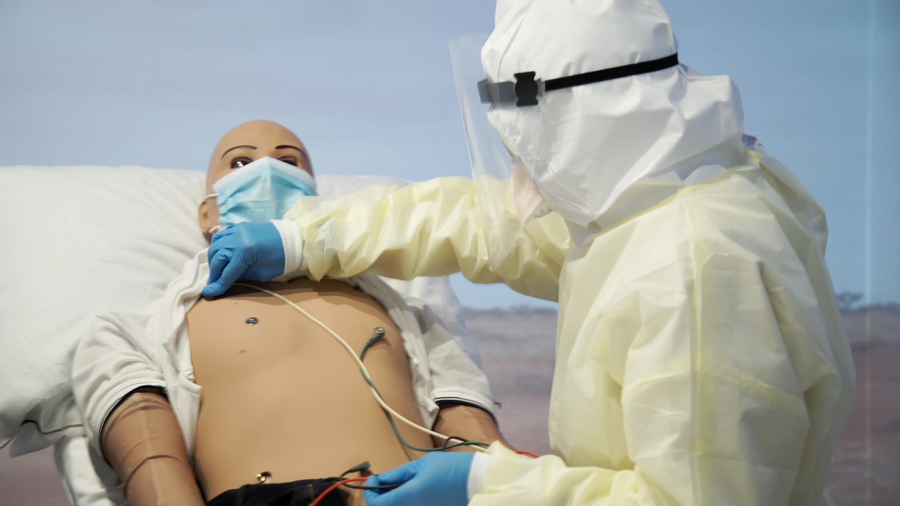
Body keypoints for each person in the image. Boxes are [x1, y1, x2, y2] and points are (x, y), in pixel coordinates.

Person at [201, 1, 857, 505]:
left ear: (580, 110)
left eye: (526, 129)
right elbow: (479, 222)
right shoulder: (648, 194)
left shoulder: (698, 267)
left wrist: (488, 482)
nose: (522, 161)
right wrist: (304, 235)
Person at [72, 120, 514, 506]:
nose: (269, 171)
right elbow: (153, 465)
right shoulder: (134, 332)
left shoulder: (414, 318)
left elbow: (473, 438)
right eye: (241, 163)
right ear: (208, 213)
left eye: (290, 162)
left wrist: (504, 489)